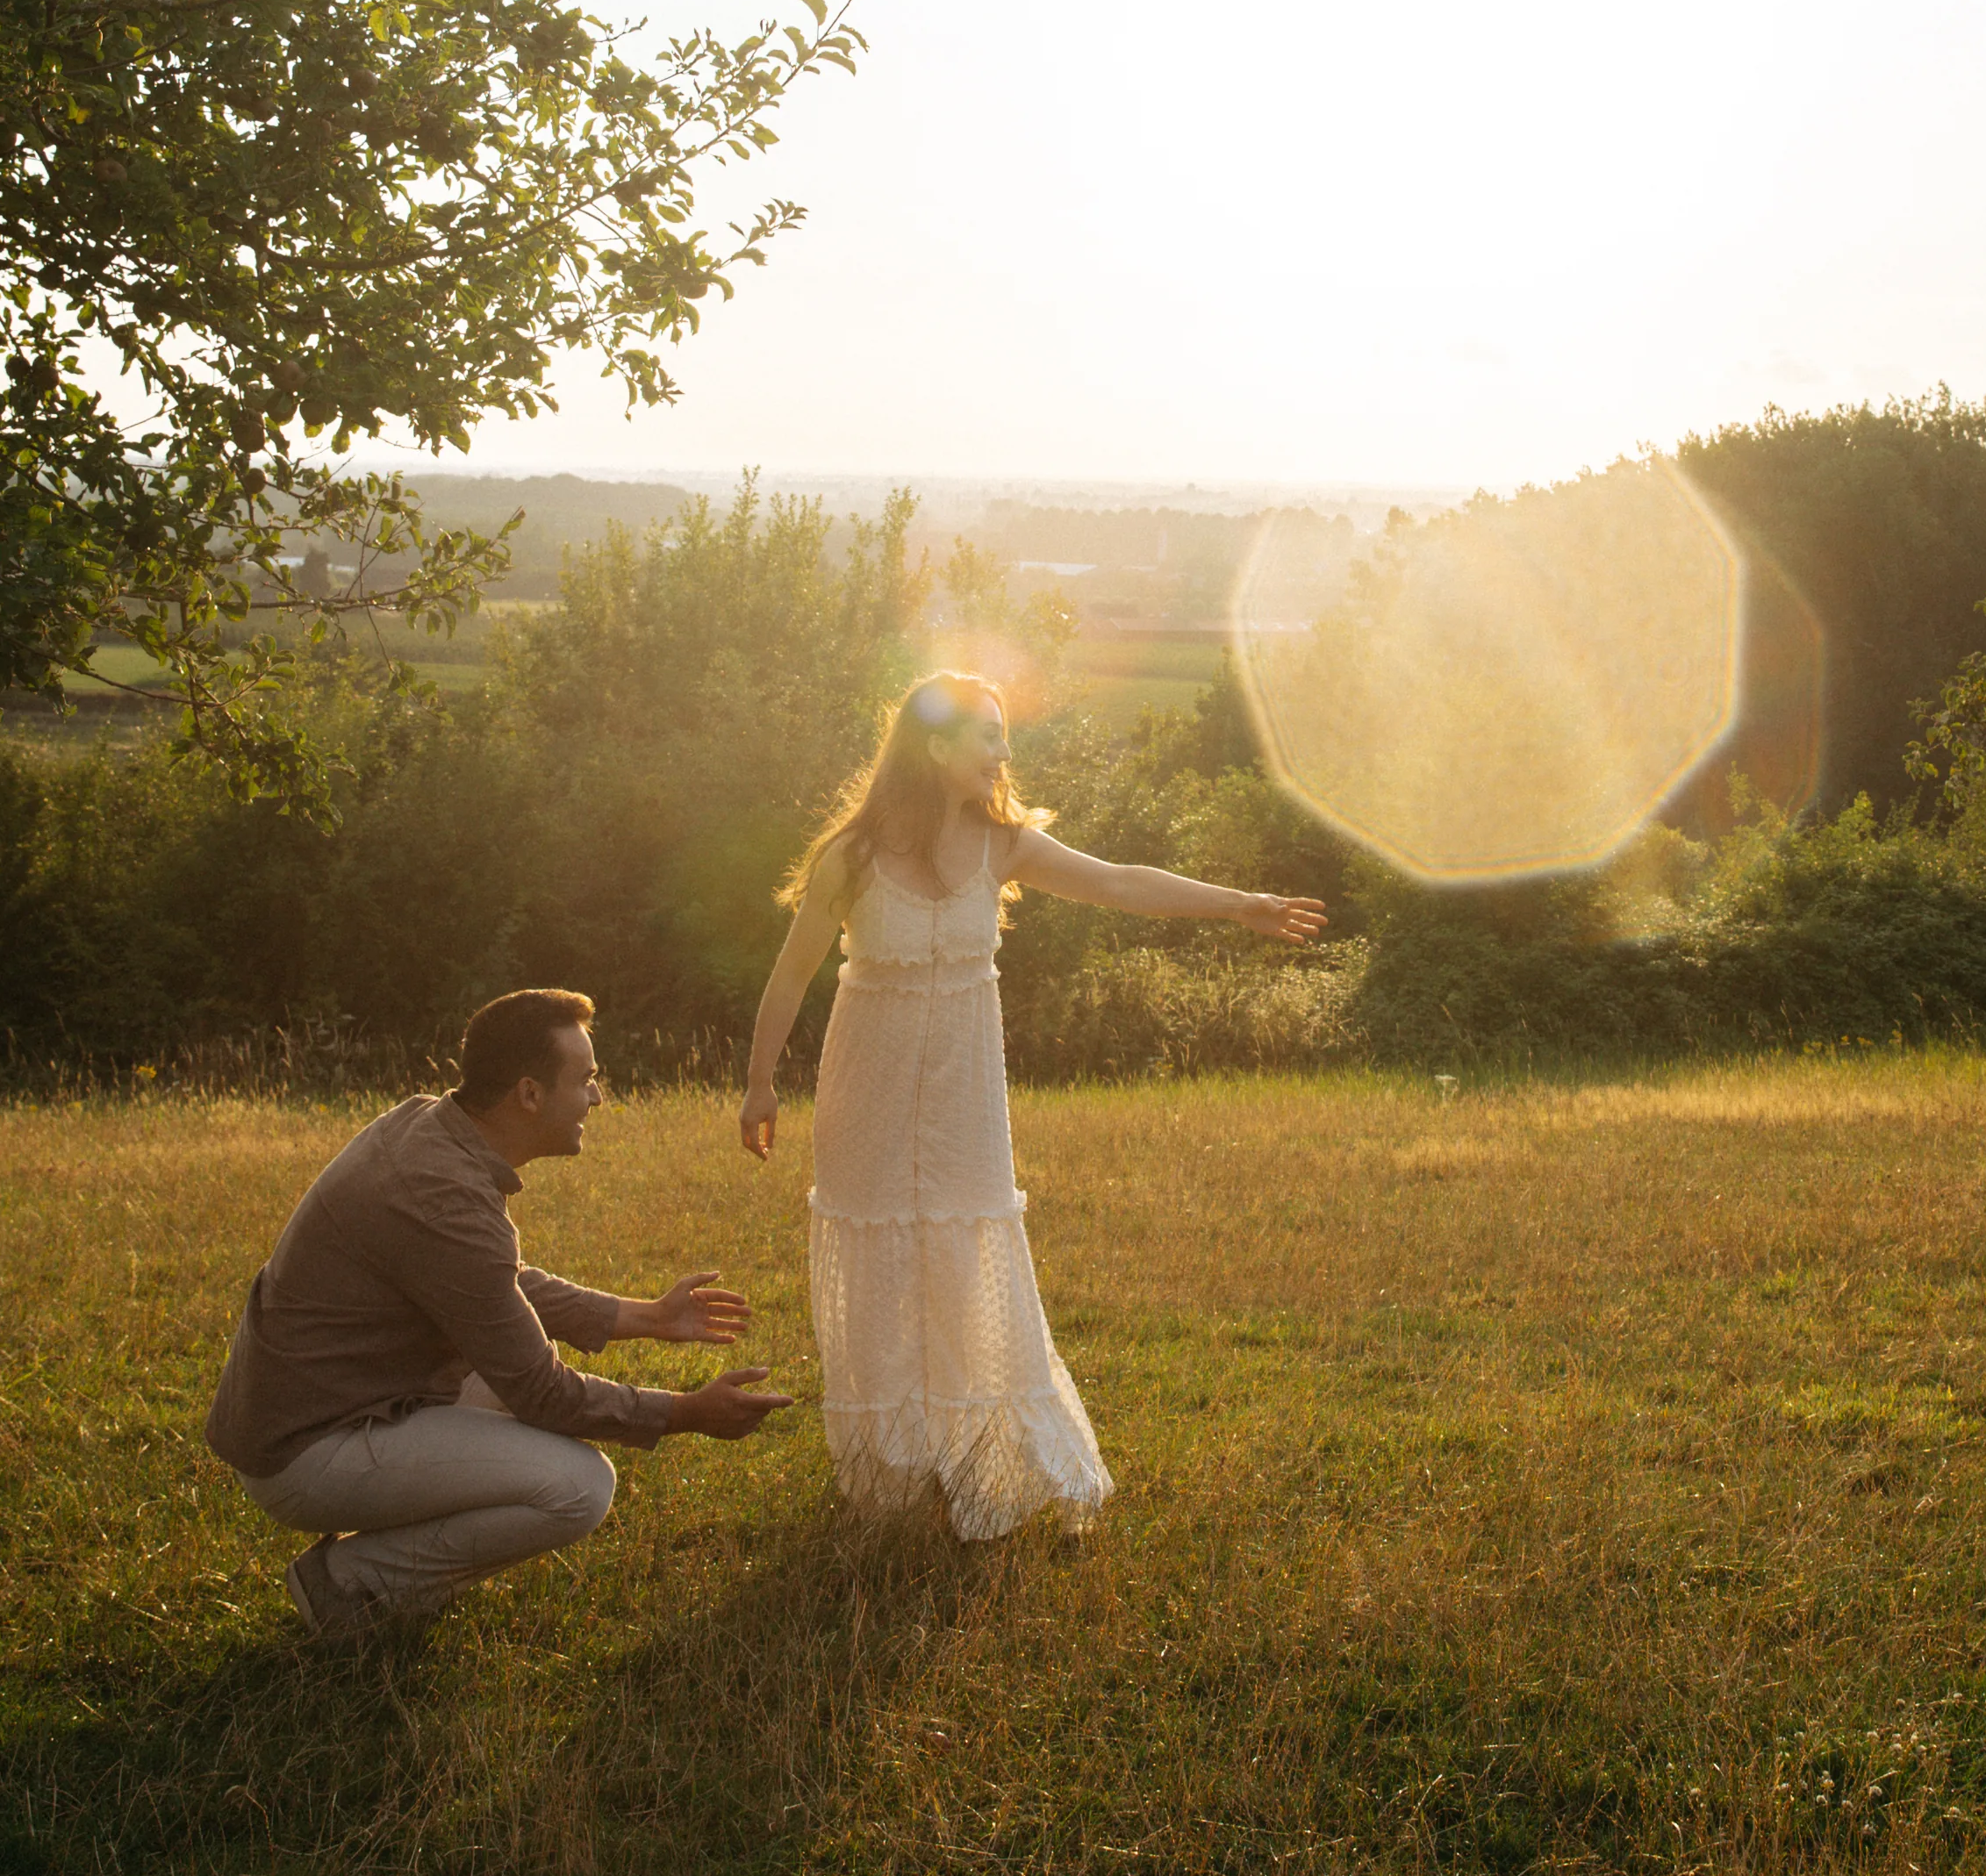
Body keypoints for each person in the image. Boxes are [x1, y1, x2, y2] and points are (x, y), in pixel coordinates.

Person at [742, 673, 1325, 1537]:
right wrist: (760, 1081)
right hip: (864, 1093)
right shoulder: (851, 857)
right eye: (987, 735)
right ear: (935, 749)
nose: (1002, 752)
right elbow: (790, 974)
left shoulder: (1003, 846)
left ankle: (986, 1459)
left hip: (964, 1099)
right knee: (884, 1271)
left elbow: (1121, 882)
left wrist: (1238, 904)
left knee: (971, 1251)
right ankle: (895, 1472)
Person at [209, 984, 788, 1638]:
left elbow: (492, 1285)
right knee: (577, 1486)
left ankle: (378, 1566)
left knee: (528, 1401)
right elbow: (543, 1391)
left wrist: (648, 1316)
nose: (597, 1098)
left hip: (343, 1402)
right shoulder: (441, 1193)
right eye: (587, 1080)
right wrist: (686, 1412)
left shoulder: (429, 1127)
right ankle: (353, 1584)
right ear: (530, 1094)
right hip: (305, 1449)